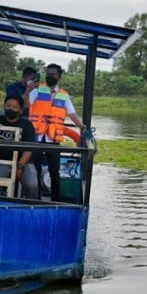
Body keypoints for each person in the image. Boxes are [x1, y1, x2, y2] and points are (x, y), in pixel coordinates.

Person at [24, 63, 85, 201]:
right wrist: (28, 91)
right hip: (37, 137)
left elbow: (72, 114)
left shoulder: (64, 96)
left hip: (53, 139)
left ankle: (55, 201)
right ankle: (36, 199)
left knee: (54, 172)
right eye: (48, 74)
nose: (49, 76)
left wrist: (82, 126)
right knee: (36, 170)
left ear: (59, 76)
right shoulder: (37, 90)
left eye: (53, 74)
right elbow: (26, 105)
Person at [0, 94, 39, 199]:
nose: (10, 109)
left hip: (23, 162)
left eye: (14, 107)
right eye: (8, 106)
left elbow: (28, 149)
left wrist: (19, 166)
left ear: (20, 110)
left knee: (31, 185)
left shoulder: (27, 125)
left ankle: (32, 208)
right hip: (1, 161)